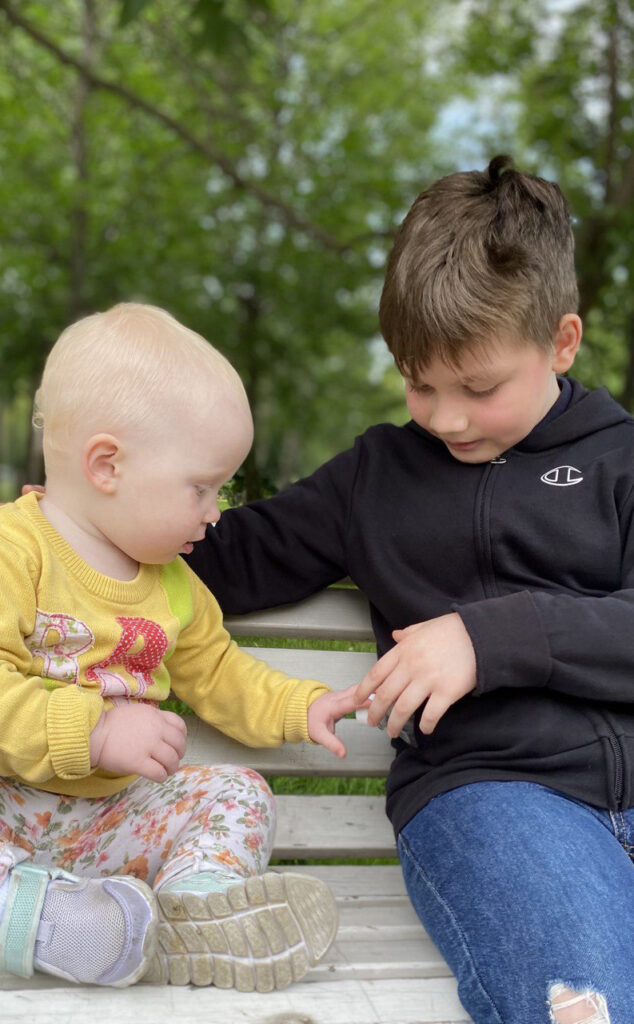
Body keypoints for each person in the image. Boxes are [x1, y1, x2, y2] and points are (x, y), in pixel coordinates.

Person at [181, 158, 634, 1023]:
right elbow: (230, 557)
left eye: (479, 387)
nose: (447, 417)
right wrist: (84, 527)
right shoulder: (376, 478)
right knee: (590, 1004)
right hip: (495, 795)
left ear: (561, 342)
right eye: (419, 383)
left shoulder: (622, 461)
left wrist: (485, 638)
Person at [0, 302, 358, 991]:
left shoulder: (175, 589)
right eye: (201, 487)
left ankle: (189, 915)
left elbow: (223, 674)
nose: (216, 510)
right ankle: (16, 913)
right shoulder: (7, 550)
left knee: (238, 794)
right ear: (107, 465)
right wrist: (97, 728)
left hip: (109, 824)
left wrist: (302, 706)